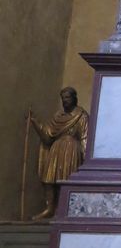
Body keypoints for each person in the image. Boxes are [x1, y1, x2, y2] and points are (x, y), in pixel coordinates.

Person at [30, 87, 89, 220]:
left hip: (72, 150)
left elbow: (85, 137)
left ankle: (66, 209)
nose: (65, 101)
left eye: (67, 98)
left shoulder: (81, 115)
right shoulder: (58, 116)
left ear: (74, 98)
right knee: (49, 178)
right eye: (63, 98)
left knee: (67, 180)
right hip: (56, 149)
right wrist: (35, 123)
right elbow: (47, 137)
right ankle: (49, 208)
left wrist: (85, 158)